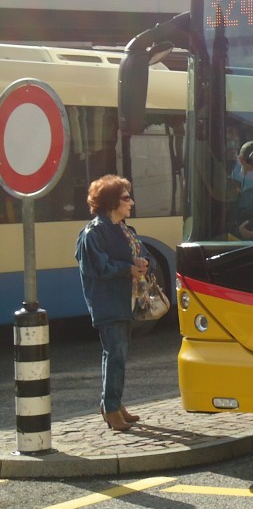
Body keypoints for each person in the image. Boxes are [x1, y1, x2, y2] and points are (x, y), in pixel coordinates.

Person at [75, 175, 149, 432]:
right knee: (115, 354)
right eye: (126, 198)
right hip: (108, 302)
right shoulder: (94, 232)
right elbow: (98, 267)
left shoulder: (123, 228)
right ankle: (111, 408)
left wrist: (141, 263)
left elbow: (140, 252)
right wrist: (128, 269)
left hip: (124, 300)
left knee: (118, 354)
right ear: (110, 202)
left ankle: (113, 403)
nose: (132, 202)